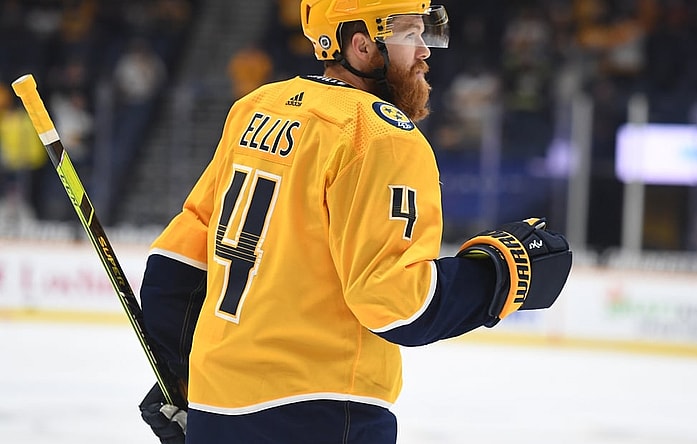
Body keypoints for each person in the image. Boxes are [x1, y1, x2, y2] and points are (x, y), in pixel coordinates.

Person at [138, 1, 572, 443]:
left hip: (218, 405)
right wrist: (501, 273)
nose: (424, 50)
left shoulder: (256, 107)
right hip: (322, 411)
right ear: (362, 45)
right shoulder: (379, 135)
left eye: (424, 34)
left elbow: (176, 267)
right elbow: (396, 303)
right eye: (408, 34)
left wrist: (182, 379)